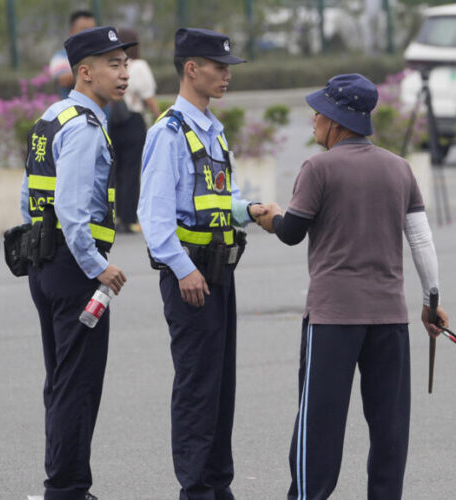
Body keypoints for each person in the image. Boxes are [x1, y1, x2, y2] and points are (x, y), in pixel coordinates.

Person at [257, 73, 449, 500]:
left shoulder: (318, 168)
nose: (313, 120)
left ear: (337, 121)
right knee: (389, 428)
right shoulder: (399, 168)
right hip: (389, 320)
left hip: (333, 320)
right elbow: (420, 239)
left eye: (318, 113)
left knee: (319, 426)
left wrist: (267, 216)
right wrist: (430, 301)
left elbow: (292, 232)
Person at [137, 28, 268, 500]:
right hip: (190, 276)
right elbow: (152, 217)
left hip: (218, 272)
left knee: (220, 385)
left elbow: (217, 197)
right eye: (219, 66)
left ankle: (217, 483)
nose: (226, 74)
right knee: (196, 386)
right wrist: (182, 268)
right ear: (192, 68)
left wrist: (250, 211)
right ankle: (195, 488)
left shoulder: (211, 130)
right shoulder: (168, 133)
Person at [20, 26, 135, 500]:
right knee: (77, 384)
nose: (124, 72)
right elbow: (71, 207)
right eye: (113, 64)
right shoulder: (85, 127)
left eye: (126, 62)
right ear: (85, 72)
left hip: (45, 264)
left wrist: (38, 249)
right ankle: (67, 489)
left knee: (62, 380)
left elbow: (30, 195)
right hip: (74, 270)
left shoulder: (52, 116)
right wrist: (95, 265)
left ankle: (64, 482)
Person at [109, 28, 160, 233]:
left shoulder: (112, 66)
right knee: (131, 171)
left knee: (116, 171)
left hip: (114, 122)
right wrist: (160, 117)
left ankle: (117, 216)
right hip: (132, 121)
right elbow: (148, 97)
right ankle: (129, 218)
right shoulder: (139, 66)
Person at [49, 10, 96, 99]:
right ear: (72, 31)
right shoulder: (61, 57)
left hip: (102, 112)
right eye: (84, 29)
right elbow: (64, 80)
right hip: (74, 111)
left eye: (92, 29)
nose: (89, 34)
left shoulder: (102, 53)